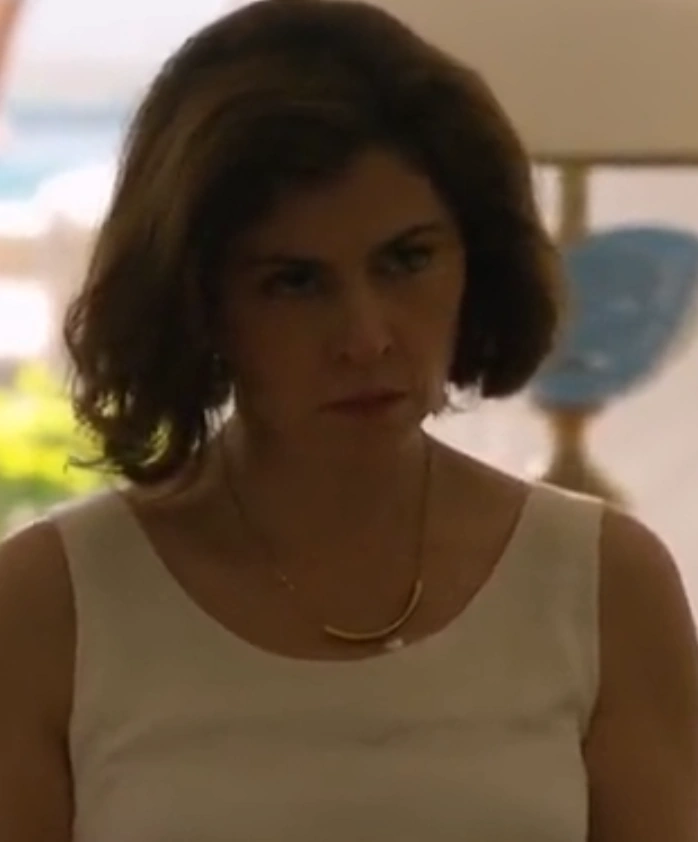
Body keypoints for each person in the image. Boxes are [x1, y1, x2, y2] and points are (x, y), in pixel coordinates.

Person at [1, 1, 697, 840]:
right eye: (295, 282)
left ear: (475, 259)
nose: (366, 338)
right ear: (198, 301)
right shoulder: (52, 606)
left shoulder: (602, 586)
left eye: (406, 259)